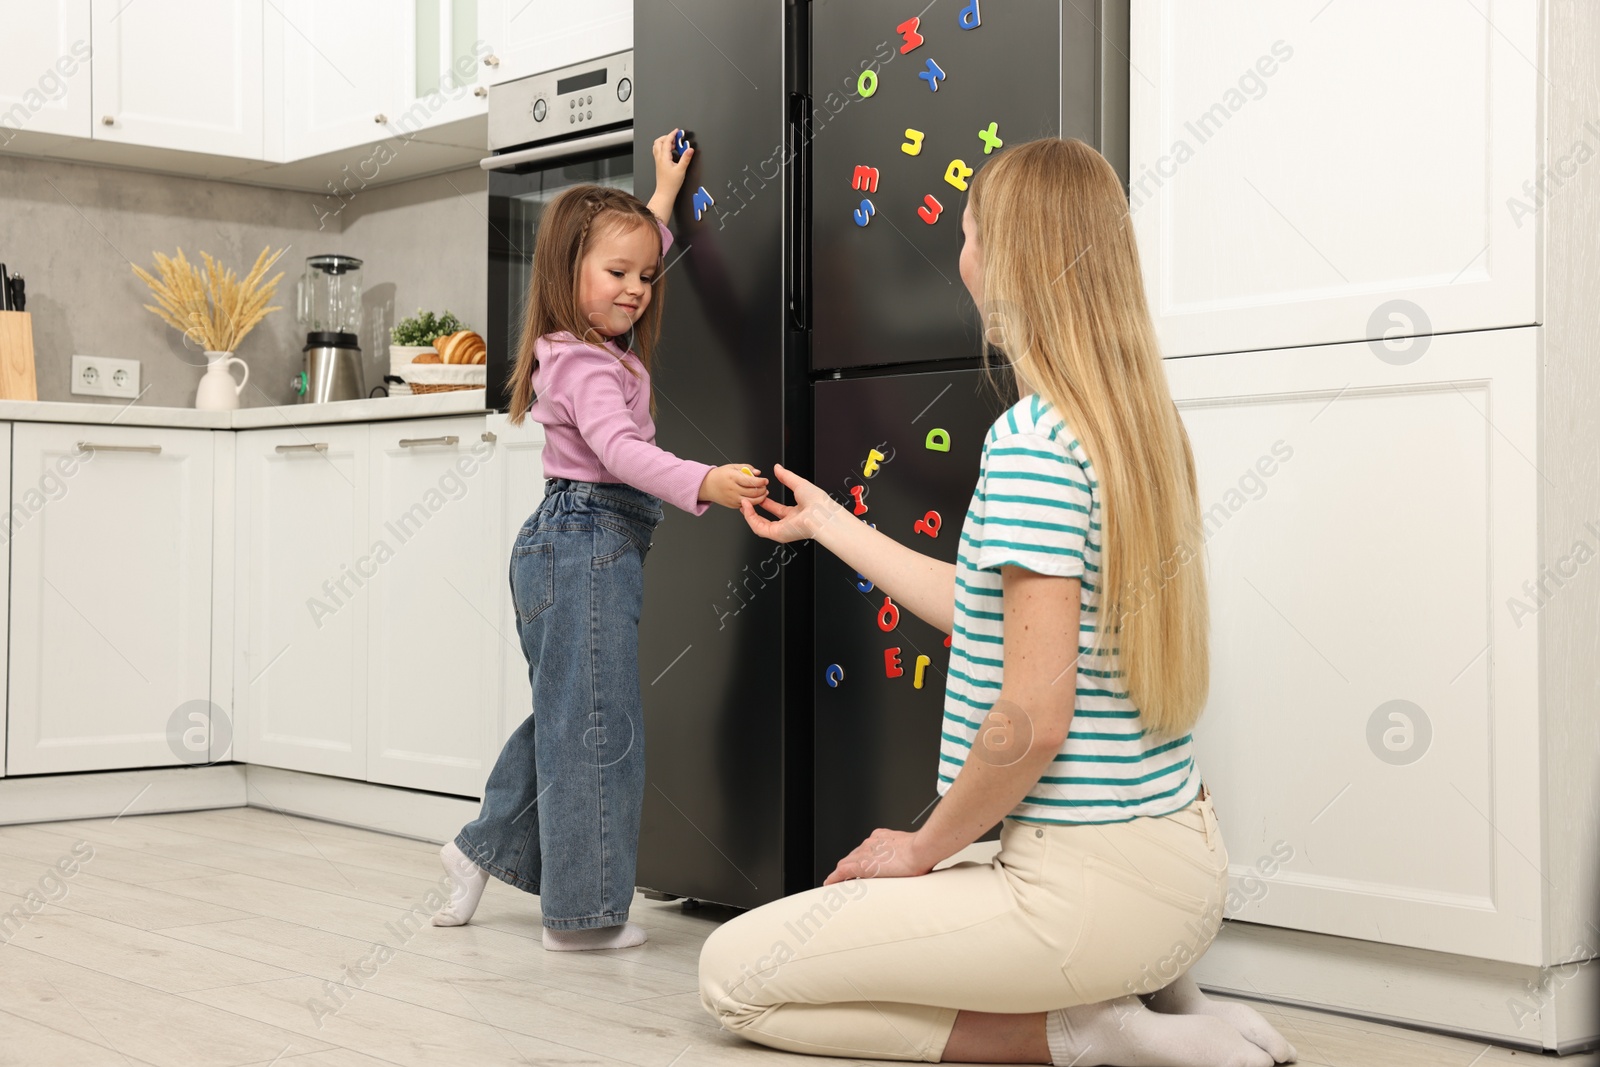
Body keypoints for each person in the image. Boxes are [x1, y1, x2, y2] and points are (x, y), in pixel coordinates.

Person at [698, 138, 1297, 1065]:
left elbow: (1031, 715)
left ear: (1008, 263)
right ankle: (1161, 999)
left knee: (734, 973)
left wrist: (922, 847)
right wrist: (828, 523)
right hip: (1182, 873)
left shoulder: (1029, 440)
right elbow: (991, 614)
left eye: (970, 235)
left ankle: (1094, 1030)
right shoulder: (1133, 424)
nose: (961, 255)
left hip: (1084, 896)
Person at [431, 130, 769, 949]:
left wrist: (661, 192)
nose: (638, 289)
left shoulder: (587, 342)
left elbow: (632, 241)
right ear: (566, 275)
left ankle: (477, 850)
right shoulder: (582, 365)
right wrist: (705, 481)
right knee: (594, 726)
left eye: (647, 275)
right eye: (617, 275)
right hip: (584, 539)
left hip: (579, 542)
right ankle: (581, 919)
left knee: (574, 713)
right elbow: (620, 453)